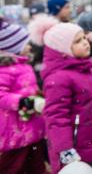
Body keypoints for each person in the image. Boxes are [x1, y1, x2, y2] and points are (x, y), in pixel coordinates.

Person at [29, 16, 92, 174]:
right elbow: (56, 117)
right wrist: (65, 150)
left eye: (84, 38)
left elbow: (90, 93)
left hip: (89, 141)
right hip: (74, 150)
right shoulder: (59, 78)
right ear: (63, 49)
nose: (85, 42)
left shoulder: (82, 67)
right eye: (78, 41)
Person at [0, 20, 46, 174]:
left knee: (36, 166)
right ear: (13, 48)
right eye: (26, 44)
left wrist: (39, 96)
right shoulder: (4, 70)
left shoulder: (25, 65)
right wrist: (25, 102)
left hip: (32, 128)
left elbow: (30, 89)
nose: (30, 47)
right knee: (14, 168)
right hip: (14, 133)